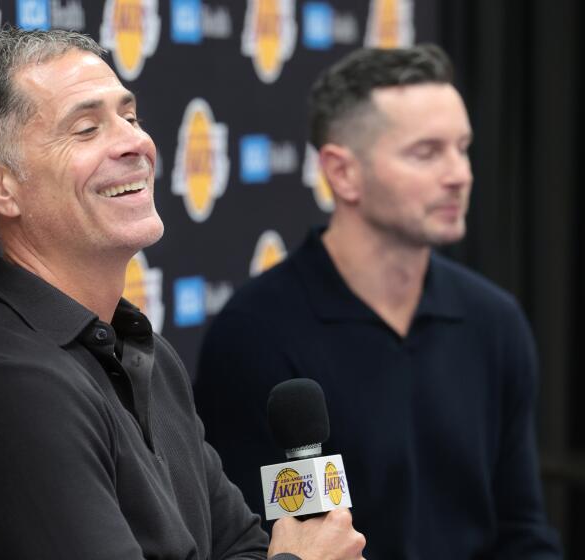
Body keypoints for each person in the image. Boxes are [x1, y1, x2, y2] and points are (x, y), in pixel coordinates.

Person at [0, 27, 365, 560]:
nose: (135, 142)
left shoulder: (141, 350)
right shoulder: (7, 384)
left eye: (129, 118)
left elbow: (240, 546)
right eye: (85, 129)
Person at [194, 44, 563, 559]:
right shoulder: (258, 334)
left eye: (463, 147)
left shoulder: (493, 320)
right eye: (427, 152)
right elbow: (265, 544)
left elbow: (522, 528)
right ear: (343, 173)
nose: (460, 174)